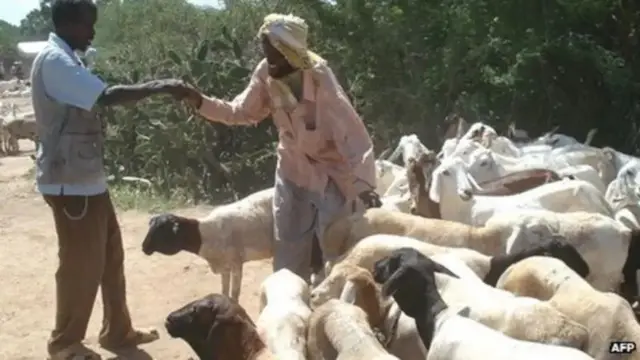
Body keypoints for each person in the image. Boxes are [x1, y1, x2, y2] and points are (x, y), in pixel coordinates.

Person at [32, 1, 193, 359]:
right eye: (87, 25)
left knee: (110, 258)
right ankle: (65, 343)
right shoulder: (55, 61)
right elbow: (104, 97)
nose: (91, 33)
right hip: (69, 182)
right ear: (68, 23)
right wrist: (160, 86)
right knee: (80, 265)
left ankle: (117, 331)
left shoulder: (70, 58)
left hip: (87, 180)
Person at [181, 13, 381, 282]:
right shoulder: (266, 73)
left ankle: (335, 310)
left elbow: (354, 136)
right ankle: (289, 309)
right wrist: (199, 102)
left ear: (290, 53)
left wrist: (365, 187)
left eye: (274, 55)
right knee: (287, 246)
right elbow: (241, 111)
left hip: (331, 178)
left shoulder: (320, 79)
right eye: (266, 53)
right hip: (291, 171)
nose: (268, 61)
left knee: (336, 250)